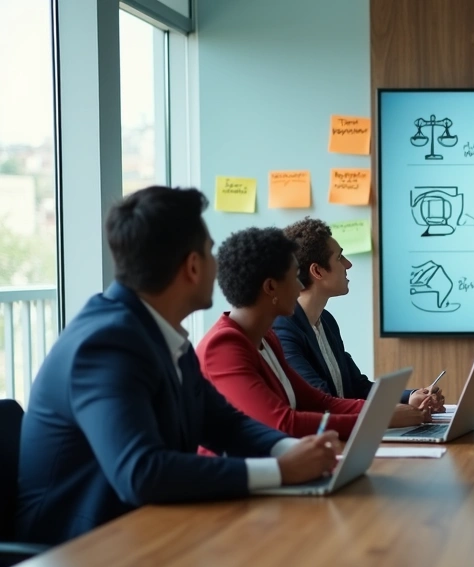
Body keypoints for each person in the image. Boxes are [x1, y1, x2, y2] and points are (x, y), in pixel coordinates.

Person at [15, 187, 338, 546]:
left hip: (144, 536)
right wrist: (279, 470)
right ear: (193, 266)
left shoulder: (161, 332)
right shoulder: (104, 345)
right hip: (78, 557)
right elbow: (142, 472)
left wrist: (288, 450)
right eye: (211, 251)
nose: (217, 266)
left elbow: (223, 422)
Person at [197, 227, 426, 440]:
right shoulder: (224, 345)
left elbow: (320, 401)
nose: (300, 286)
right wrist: (380, 418)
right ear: (270, 287)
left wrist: (386, 412)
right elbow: (283, 423)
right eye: (295, 276)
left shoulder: (267, 339)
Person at [273, 217, 442, 409]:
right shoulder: (283, 329)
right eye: (339, 258)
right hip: (317, 436)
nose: (348, 265)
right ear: (317, 271)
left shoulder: (326, 321)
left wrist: (410, 397)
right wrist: (391, 414)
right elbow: (321, 400)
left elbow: (357, 386)